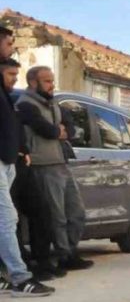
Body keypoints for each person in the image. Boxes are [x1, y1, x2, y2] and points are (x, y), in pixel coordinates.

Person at [17, 66, 93, 274]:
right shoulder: (26, 105)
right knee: (56, 215)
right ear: (34, 83)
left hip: (61, 162)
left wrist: (62, 131)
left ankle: (70, 250)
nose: (52, 85)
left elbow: (69, 127)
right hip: (43, 165)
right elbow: (47, 130)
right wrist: (57, 130)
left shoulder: (53, 103)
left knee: (76, 212)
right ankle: (62, 255)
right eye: (47, 81)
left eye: (52, 80)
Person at [0, 50, 53, 297]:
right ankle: (21, 279)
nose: (14, 79)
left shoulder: (7, 97)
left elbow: (12, 127)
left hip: (10, 162)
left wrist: (21, 150)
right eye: (10, 74)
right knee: (7, 219)